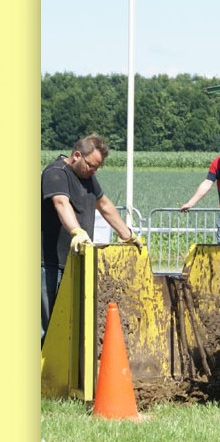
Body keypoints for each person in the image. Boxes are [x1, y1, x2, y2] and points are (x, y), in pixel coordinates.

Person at [41, 134, 143, 345]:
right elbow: (61, 203)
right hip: (49, 264)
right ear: (77, 155)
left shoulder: (87, 178)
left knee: (68, 326)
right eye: (91, 165)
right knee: (44, 326)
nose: (94, 171)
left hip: (74, 262)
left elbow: (104, 205)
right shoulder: (56, 173)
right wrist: (76, 231)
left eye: (97, 167)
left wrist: (127, 235)